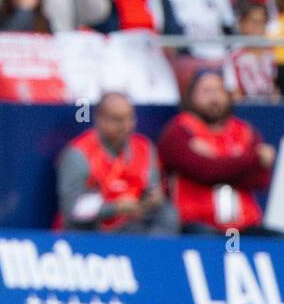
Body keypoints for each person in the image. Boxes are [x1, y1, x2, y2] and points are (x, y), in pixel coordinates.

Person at [157, 71, 278, 235]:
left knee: (274, 240)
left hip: (243, 224)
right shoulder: (179, 131)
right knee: (206, 242)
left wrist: (216, 161)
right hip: (197, 224)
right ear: (190, 97)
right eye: (206, 91)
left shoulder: (245, 131)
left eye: (219, 91)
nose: (214, 98)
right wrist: (253, 159)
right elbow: (205, 171)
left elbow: (259, 179)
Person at [57, 92, 178, 233]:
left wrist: (153, 198)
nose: (126, 126)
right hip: (95, 228)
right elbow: (72, 210)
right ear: (100, 119)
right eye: (118, 120)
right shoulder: (78, 154)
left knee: (168, 213)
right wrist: (115, 208)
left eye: (130, 118)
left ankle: (155, 253)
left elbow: (153, 187)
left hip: (135, 220)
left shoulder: (144, 147)